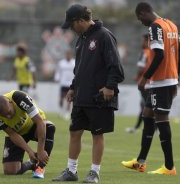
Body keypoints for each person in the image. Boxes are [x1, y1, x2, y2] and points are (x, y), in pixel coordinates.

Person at [52, 4, 124, 183]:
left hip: (100, 96)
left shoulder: (104, 36)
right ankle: (71, 170)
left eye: (72, 24)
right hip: (81, 96)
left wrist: (110, 87)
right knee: (74, 132)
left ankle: (94, 172)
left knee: (97, 134)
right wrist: (73, 87)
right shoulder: (81, 39)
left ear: (81, 21)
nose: (71, 28)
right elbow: (80, 69)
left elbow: (116, 67)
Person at [121, 2, 180, 175]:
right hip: (166, 80)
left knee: (162, 120)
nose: (140, 21)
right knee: (147, 114)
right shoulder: (171, 25)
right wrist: (176, 78)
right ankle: (140, 162)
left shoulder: (155, 27)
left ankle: (169, 167)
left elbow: (159, 55)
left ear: (144, 12)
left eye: (139, 17)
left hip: (161, 81)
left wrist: (144, 78)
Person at [0, 90, 56, 178]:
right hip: (17, 133)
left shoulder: (19, 98)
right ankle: (31, 164)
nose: (8, 117)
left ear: (10, 102)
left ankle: (40, 168)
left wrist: (40, 150)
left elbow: (40, 122)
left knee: (49, 128)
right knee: (10, 171)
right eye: (5, 116)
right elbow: (12, 134)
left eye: (9, 112)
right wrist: (30, 151)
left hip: (34, 125)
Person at [125, 34, 154, 133]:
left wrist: (137, 77)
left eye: (143, 41)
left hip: (145, 84)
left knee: (146, 107)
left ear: (147, 41)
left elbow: (141, 68)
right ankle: (139, 128)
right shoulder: (155, 52)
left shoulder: (144, 52)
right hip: (154, 83)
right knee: (146, 105)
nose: (142, 43)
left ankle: (152, 129)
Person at [54, 50, 75, 120]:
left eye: (69, 55)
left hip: (71, 84)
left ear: (71, 55)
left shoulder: (74, 62)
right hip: (63, 83)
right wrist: (57, 78)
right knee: (61, 98)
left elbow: (76, 73)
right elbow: (58, 72)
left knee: (69, 99)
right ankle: (60, 111)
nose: (68, 56)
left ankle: (67, 113)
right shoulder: (61, 63)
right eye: (67, 55)